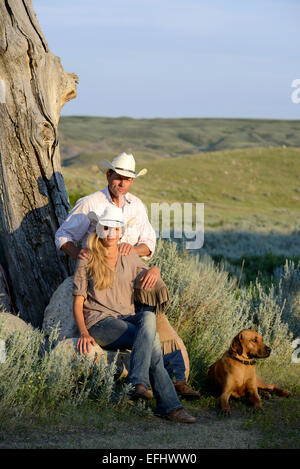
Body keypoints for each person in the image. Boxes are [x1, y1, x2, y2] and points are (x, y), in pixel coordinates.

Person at [56, 152, 200, 398]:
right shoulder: (91, 204)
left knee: (158, 323)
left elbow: (149, 243)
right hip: (102, 280)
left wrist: (132, 253)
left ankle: (177, 380)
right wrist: (82, 255)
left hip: (133, 277)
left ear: (132, 181)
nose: (122, 183)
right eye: (118, 177)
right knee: (147, 332)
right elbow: (62, 237)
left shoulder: (137, 205)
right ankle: (152, 388)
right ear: (108, 175)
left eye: (127, 179)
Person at [72, 205, 196, 423]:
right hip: (100, 323)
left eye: (116, 229)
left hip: (127, 319)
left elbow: (148, 270)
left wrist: (155, 270)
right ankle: (168, 406)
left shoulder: (127, 255)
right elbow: (79, 300)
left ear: (121, 231)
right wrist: (83, 332)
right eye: (107, 228)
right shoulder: (87, 257)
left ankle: (138, 383)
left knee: (148, 317)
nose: (112, 234)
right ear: (99, 228)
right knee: (153, 341)